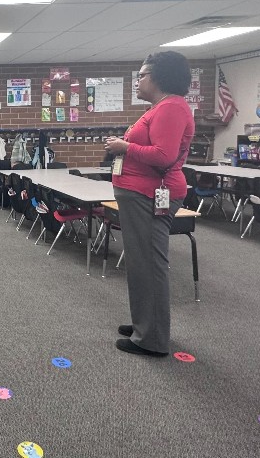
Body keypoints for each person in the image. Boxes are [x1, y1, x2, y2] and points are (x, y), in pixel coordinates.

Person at [104, 51, 195, 357]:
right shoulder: (160, 107)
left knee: (149, 264)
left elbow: (163, 155)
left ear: (160, 77)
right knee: (139, 263)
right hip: (139, 194)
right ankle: (144, 323)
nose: (138, 81)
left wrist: (124, 146)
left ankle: (152, 339)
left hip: (151, 195)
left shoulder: (171, 107)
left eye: (141, 75)